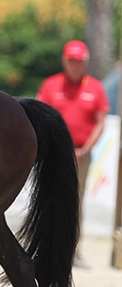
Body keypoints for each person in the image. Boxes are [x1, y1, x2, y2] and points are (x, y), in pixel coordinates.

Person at [36, 40, 109, 268]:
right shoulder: (51, 84)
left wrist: (86, 148)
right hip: (54, 154)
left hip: (81, 156)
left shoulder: (95, 88)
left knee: (74, 204)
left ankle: (73, 251)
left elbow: (100, 122)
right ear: (64, 61)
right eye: (71, 61)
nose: (74, 65)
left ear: (85, 62)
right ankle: (44, 249)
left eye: (78, 61)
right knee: (47, 199)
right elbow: (39, 114)